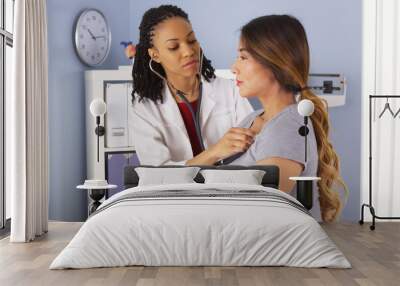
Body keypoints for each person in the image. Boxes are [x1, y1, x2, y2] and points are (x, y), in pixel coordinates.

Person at [229, 15, 348, 222]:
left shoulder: (287, 127)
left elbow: (261, 212)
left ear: (275, 62)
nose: (233, 67)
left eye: (243, 57)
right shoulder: (252, 119)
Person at [130, 5, 254, 166]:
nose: (188, 51)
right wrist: (214, 152)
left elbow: (253, 146)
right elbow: (158, 174)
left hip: (228, 188)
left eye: (191, 40)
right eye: (173, 47)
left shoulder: (230, 90)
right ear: (155, 55)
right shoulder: (145, 108)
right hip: (176, 191)